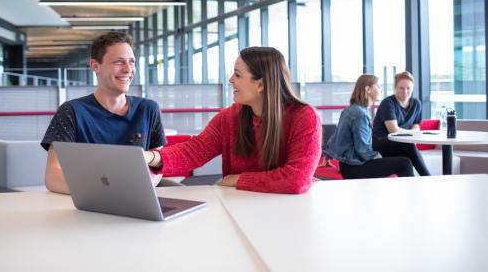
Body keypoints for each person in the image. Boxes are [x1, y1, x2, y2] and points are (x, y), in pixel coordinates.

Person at [141, 46, 322, 194]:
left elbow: (296, 179)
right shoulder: (230, 117)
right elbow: (193, 152)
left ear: (260, 84)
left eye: (237, 74)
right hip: (240, 206)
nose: (230, 80)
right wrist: (151, 157)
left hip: (290, 211)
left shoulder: (305, 117)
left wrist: (238, 179)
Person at [41, 31, 166, 194]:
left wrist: (138, 190)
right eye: (119, 62)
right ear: (95, 66)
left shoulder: (149, 109)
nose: (128, 69)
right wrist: (106, 194)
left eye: (131, 62)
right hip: (89, 204)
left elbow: (160, 164)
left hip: (137, 199)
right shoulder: (72, 112)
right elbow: (52, 176)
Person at [323, 75, 414, 179]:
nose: (380, 90)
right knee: (405, 164)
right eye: (378, 86)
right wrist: (380, 157)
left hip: (348, 165)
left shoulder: (352, 109)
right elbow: (363, 151)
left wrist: (327, 155)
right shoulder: (360, 114)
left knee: (398, 157)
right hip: (355, 167)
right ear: (368, 89)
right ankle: (411, 194)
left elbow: (336, 137)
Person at [372, 71, 431, 176]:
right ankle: (427, 177)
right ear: (395, 88)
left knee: (406, 160)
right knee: (409, 146)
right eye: (401, 88)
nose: (405, 91)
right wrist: (413, 133)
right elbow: (393, 130)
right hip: (382, 141)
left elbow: (416, 126)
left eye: (408, 88)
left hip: (401, 142)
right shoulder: (388, 103)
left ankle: (411, 186)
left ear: (413, 88)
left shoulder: (416, 104)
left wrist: (412, 132)